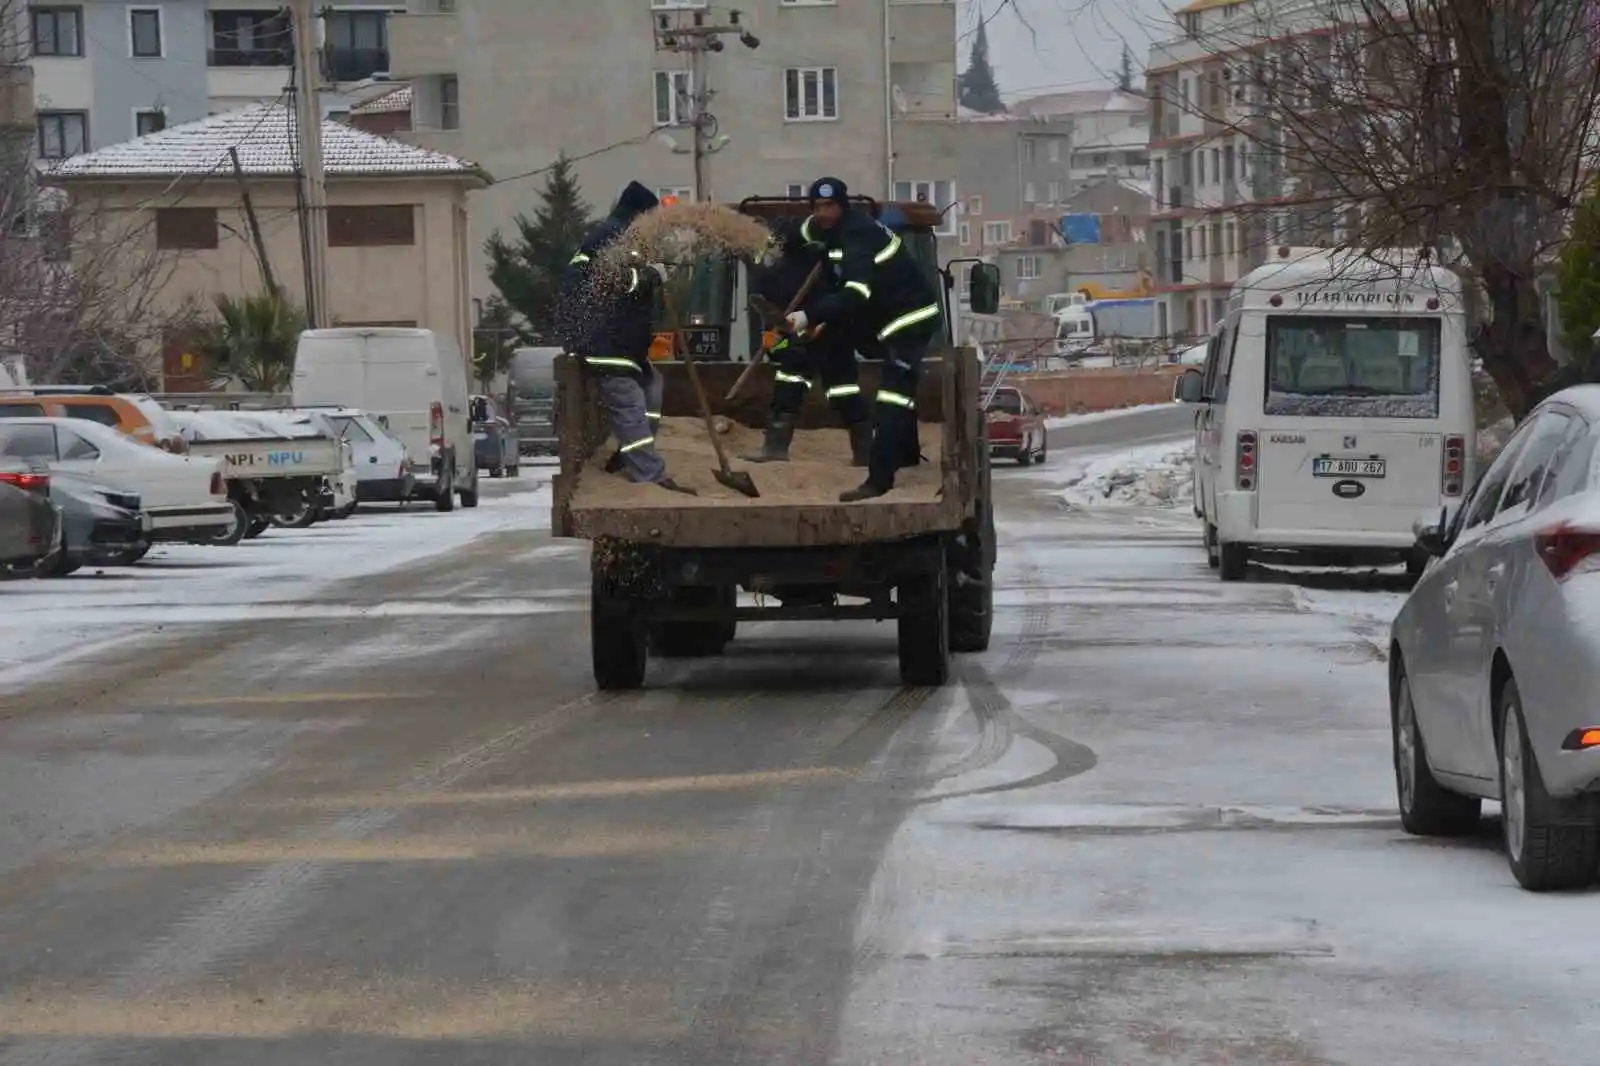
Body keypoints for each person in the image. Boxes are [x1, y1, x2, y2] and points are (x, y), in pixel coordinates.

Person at [786, 177, 943, 502]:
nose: (823, 213)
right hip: (879, 316)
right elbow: (799, 233)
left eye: (829, 206)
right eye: (817, 207)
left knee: (893, 398)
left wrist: (808, 315)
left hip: (909, 318)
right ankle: (883, 440)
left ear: (843, 206)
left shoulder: (858, 234)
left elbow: (856, 293)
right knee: (829, 345)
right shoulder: (825, 228)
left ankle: (878, 481)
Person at [556, 181, 694, 495]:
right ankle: (649, 475)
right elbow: (610, 281)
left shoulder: (628, 237)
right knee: (630, 406)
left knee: (653, 388)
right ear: (639, 214)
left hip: (625, 344)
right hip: (607, 343)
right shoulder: (611, 236)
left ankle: (628, 455)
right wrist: (651, 276)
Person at [742, 217, 871, 466]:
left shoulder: (816, 256)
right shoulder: (767, 269)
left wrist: (821, 324)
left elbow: (841, 298)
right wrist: (775, 340)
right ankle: (775, 447)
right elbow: (771, 310)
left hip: (831, 334)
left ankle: (865, 451)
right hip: (796, 336)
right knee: (788, 384)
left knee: (842, 389)